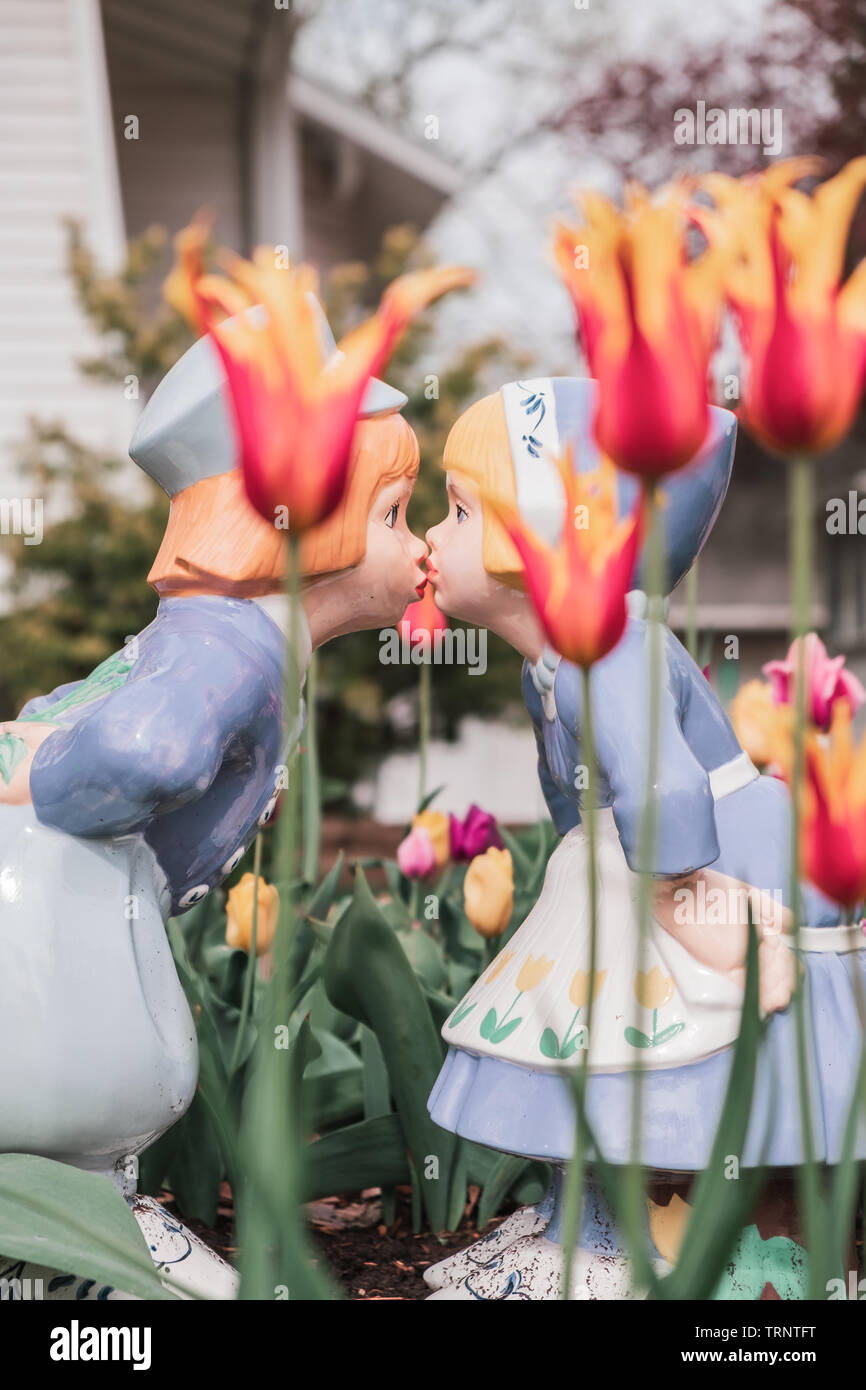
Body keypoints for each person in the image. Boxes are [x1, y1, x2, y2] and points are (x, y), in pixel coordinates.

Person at [0, 297, 428, 1300]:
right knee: (113, 1074)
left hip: (74, 886)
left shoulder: (210, 637)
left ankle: (59, 1238)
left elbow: (80, 703)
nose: (414, 549)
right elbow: (151, 747)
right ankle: (75, 1242)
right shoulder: (231, 650)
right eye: (393, 514)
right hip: (64, 892)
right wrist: (44, 770)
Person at [421, 376, 855, 1300]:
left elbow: (661, 781)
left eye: (457, 512)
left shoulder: (603, 648)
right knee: (595, 1035)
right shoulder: (557, 662)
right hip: (628, 861)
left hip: (695, 859)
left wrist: (688, 903)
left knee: (669, 1035)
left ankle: (718, 1248)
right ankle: (596, 1223)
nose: (431, 537)